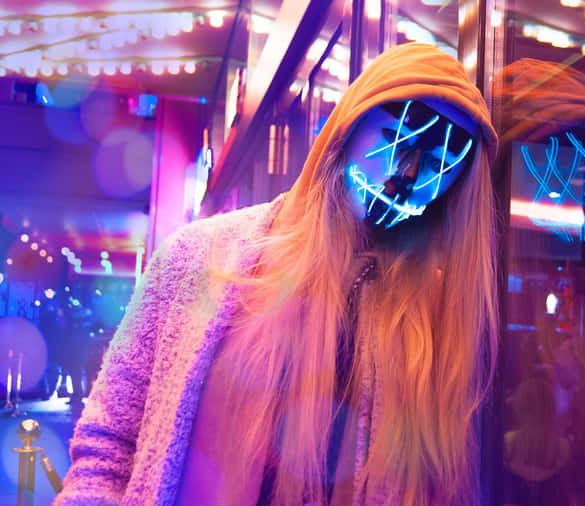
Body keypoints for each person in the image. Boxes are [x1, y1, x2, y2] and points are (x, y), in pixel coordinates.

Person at [56, 43, 499, 506]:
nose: (405, 176)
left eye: (437, 164)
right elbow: (108, 441)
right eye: (395, 140)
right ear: (348, 128)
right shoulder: (199, 257)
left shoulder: (439, 314)